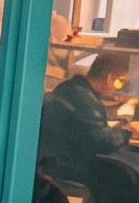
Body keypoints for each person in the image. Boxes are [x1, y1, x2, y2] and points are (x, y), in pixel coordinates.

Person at [37, 51, 133, 181]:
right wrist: (127, 132)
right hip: (69, 169)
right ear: (109, 77)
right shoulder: (85, 100)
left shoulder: (68, 87)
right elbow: (103, 143)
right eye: (120, 82)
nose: (119, 87)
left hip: (51, 163)